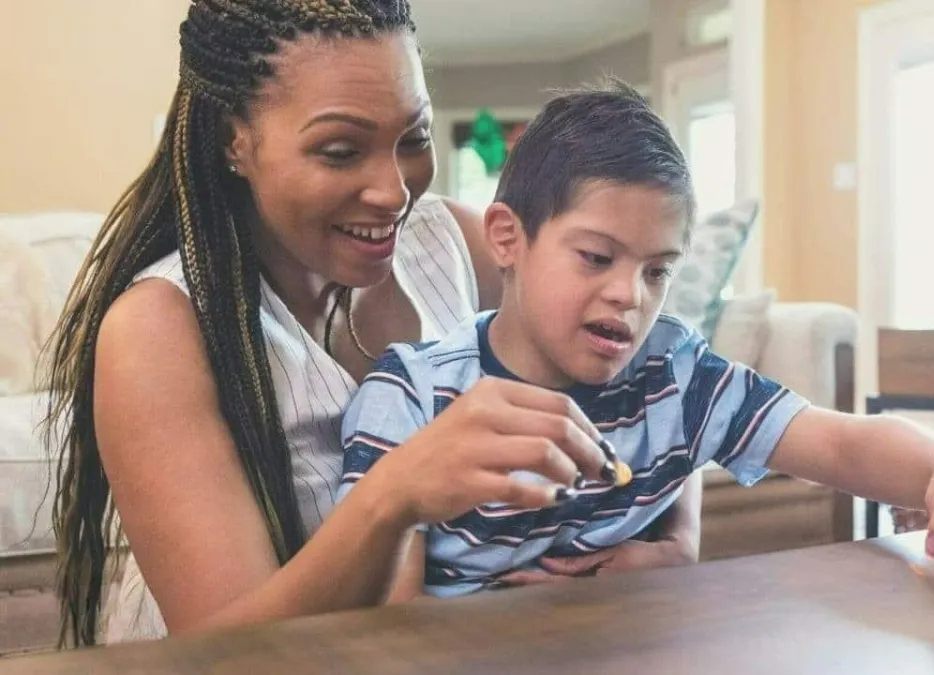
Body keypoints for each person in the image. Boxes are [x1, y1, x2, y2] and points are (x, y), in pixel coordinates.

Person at [43, 0, 700, 648]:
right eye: (339, 150)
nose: (393, 191)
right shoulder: (158, 329)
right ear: (232, 142)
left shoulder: (454, 244)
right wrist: (394, 495)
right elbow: (226, 654)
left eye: (412, 138)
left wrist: (677, 539)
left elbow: (660, 357)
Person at [337, 80, 934, 601]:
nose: (629, 294)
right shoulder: (413, 394)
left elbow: (840, 442)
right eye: (596, 256)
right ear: (508, 238)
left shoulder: (674, 377)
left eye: (657, 270)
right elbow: (389, 622)